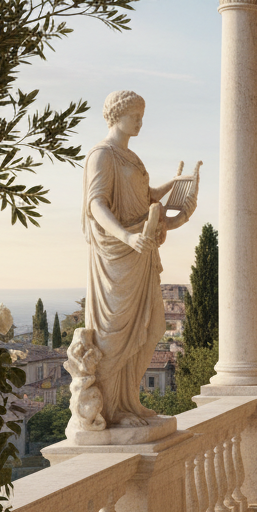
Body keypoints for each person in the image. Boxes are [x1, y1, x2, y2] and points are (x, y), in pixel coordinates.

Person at [82, 90, 196, 426]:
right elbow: (96, 204)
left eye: (142, 115)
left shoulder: (131, 158)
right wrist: (127, 236)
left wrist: (172, 189)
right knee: (114, 334)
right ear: (117, 115)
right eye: (136, 115)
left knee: (154, 326)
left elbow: (144, 197)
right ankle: (108, 410)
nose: (140, 122)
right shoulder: (102, 156)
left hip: (142, 252)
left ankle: (128, 400)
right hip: (118, 255)